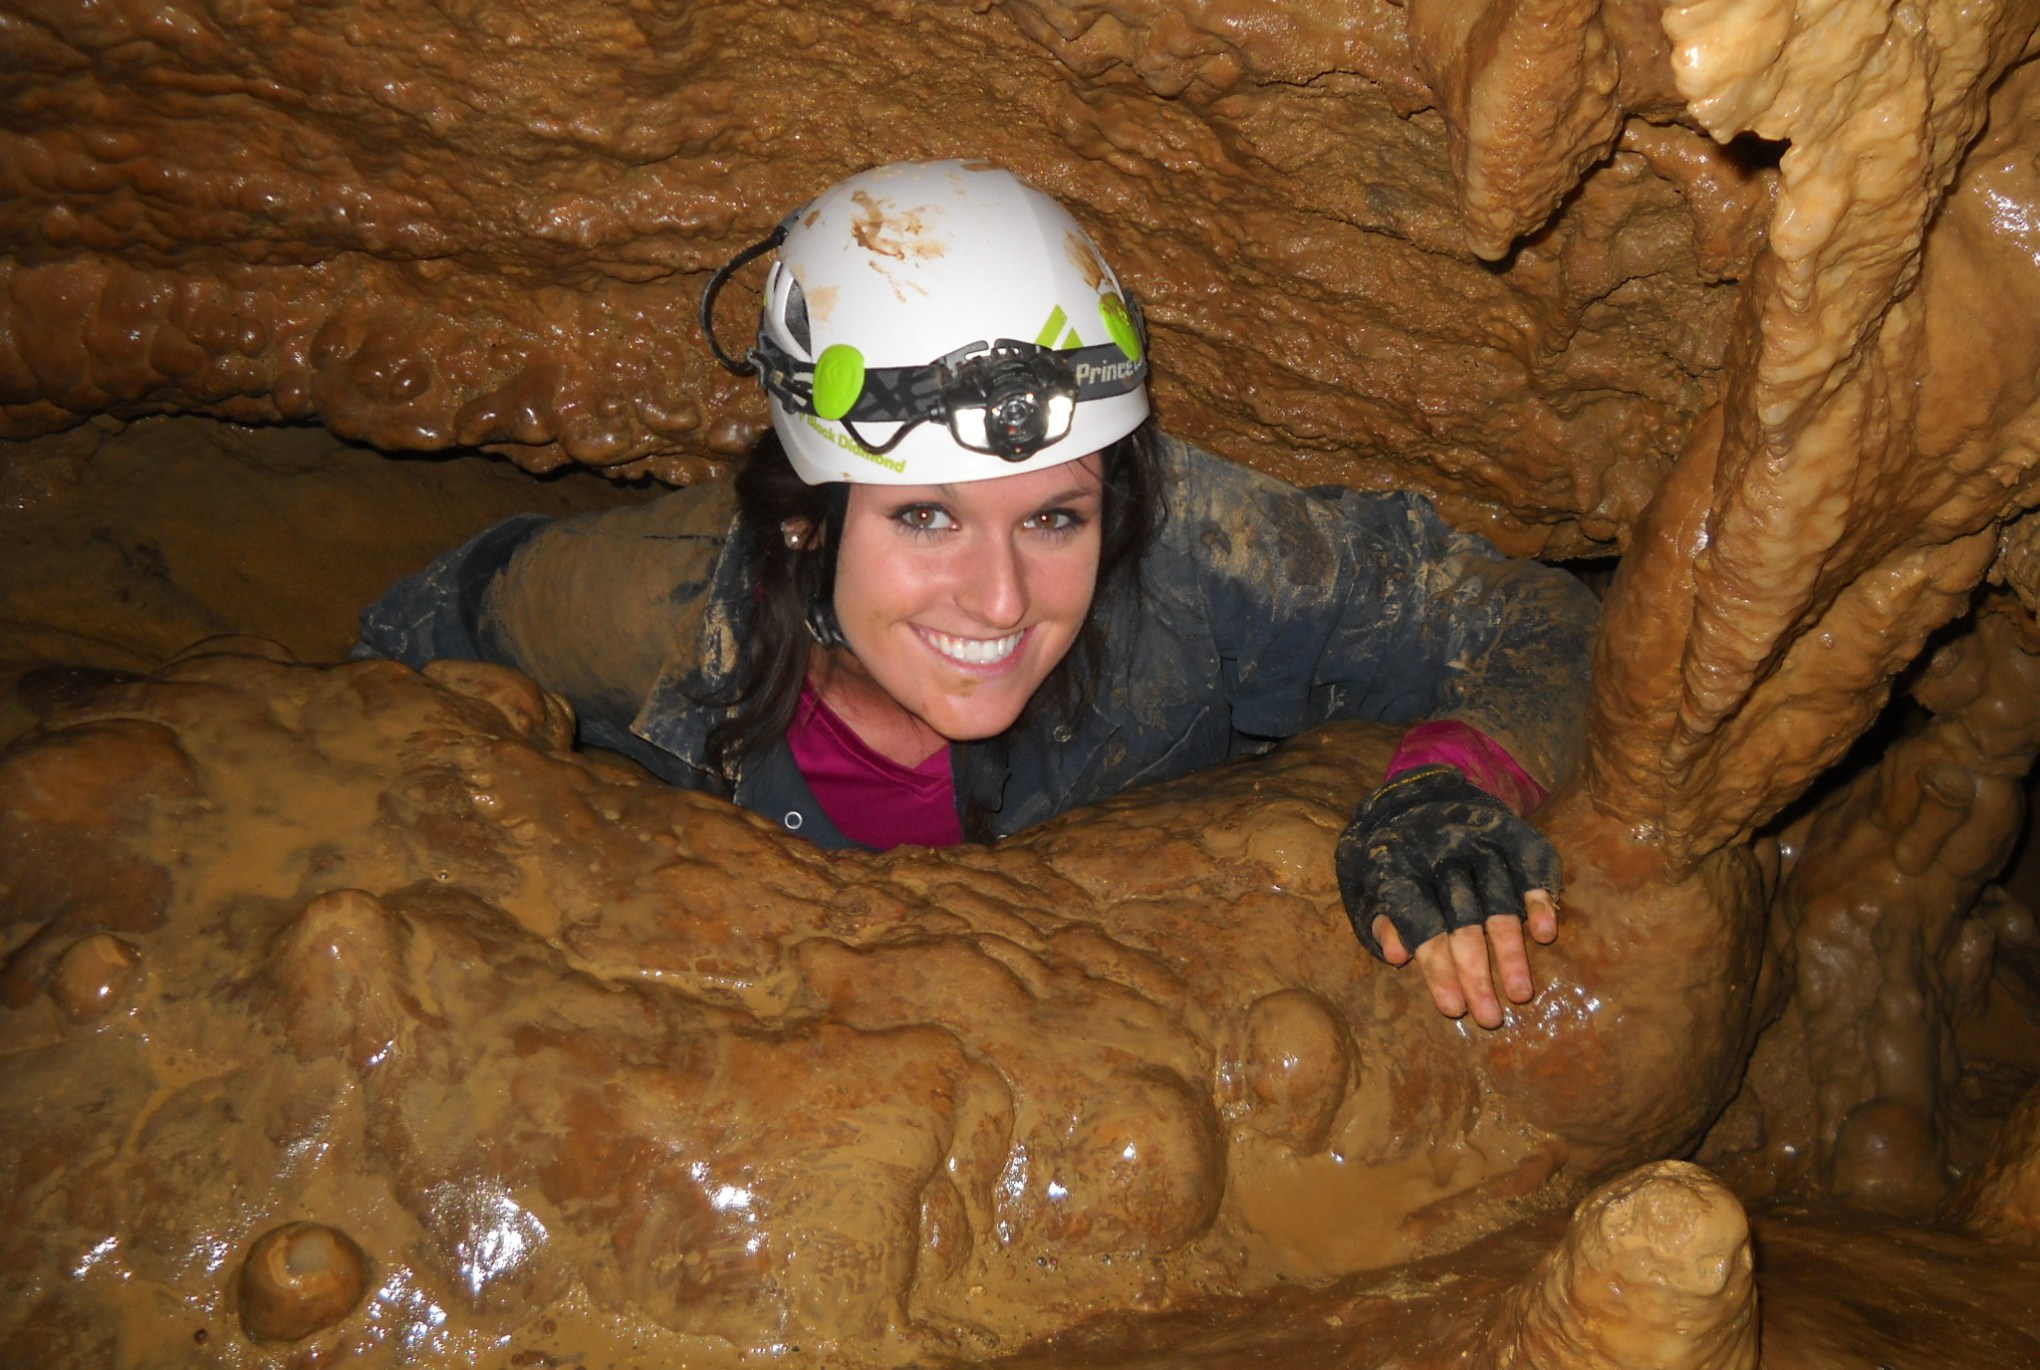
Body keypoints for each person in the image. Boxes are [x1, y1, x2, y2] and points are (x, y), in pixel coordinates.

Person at [357, 160, 1597, 1026]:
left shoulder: (1190, 552)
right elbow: (392, 660)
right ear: (806, 517)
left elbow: (1543, 618)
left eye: (1055, 516)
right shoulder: (647, 606)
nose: (1001, 599)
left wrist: (1453, 778)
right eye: (928, 518)